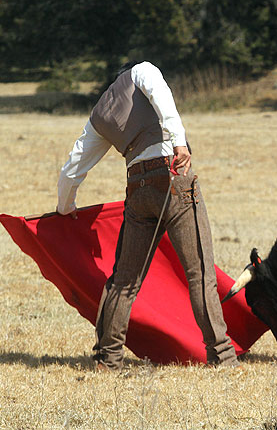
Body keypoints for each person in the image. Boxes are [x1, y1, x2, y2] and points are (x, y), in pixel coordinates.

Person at [57, 61, 239, 370]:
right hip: (172, 178)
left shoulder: (100, 112)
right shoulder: (142, 71)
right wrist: (178, 139)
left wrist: (65, 206)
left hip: (137, 189)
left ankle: (107, 358)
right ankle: (221, 355)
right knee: (200, 274)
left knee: (124, 280)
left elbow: (74, 167)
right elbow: (160, 95)